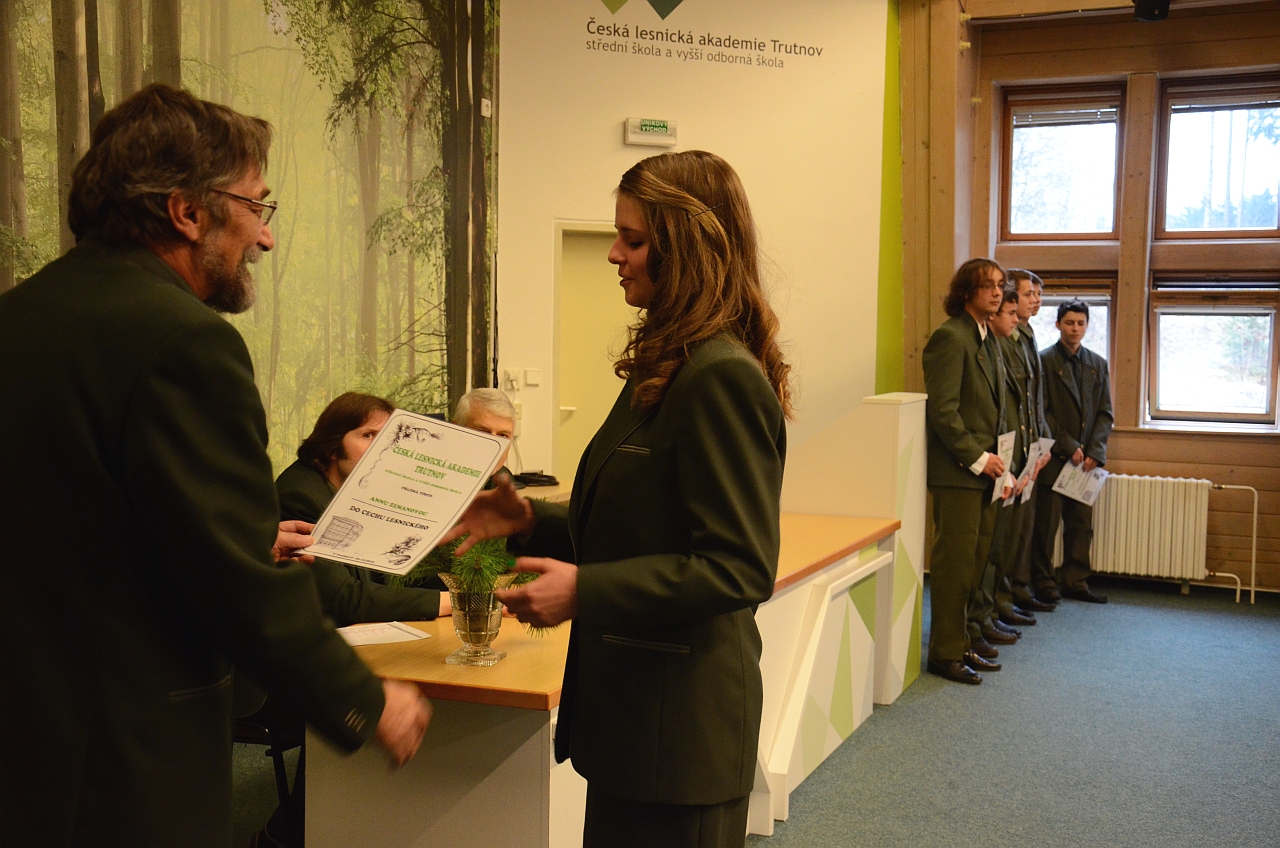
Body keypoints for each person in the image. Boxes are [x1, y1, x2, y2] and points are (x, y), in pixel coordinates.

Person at [0, 85, 428, 848]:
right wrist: (364, 701)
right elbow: (239, 589)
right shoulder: (184, 343)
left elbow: (73, 529)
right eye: (256, 205)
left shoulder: (20, 317)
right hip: (119, 775)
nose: (265, 237)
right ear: (187, 212)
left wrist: (243, 540)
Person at [444, 150, 789, 848]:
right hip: (637, 725)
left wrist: (585, 591)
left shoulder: (719, 376)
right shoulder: (671, 365)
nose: (614, 255)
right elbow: (645, 526)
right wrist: (529, 521)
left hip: (680, 735)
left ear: (685, 248)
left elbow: (739, 568)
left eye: (632, 240)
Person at [275, 391, 449, 626]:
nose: (384, 446)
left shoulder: (365, 490)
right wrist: (451, 602)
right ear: (332, 448)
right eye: (369, 435)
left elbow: (395, 574)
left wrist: (468, 588)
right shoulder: (299, 497)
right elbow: (344, 599)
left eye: (389, 436)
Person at [922, 258, 1009, 685]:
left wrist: (998, 464)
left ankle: (961, 642)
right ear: (965, 292)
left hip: (985, 472)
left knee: (974, 565)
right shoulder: (950, 337)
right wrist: (978, 458)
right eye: (987, 285)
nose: (997, 292)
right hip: (960, 472)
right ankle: (944, 654)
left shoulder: (986, 337)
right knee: (954, 568)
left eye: (1000, 285)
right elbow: (943, 412)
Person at [1031, 300, 1114, 604]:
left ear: (1087, 325)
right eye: (1069, 323)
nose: (1075, 329)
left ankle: (1075, 582)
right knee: (1046, 525)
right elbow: (1041, 411)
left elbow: (1105, 413)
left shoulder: (1097, 364)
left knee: (1081, 525)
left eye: (1080, 323)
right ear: (1057, 325)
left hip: (1086, 463)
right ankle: (1043, 583)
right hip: (1054, 456)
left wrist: (1095, 450)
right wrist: (1069, 445)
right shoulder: (1043, 361)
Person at [965, 284, 1029, 661]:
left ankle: (985, 615)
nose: (1016, 319)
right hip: (985, 462)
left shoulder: (1004, 346)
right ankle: (976, 621)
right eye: (1011, 313)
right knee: (980, 556)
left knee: (997, 548)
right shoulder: (977, 345)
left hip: (1006, 460)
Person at [1002, 270, 1056, 615]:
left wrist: (1043, 441)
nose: (1035, 300)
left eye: (1038, 294)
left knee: (1024, 525)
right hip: (1013, 444)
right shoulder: (1006, 337)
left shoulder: (1028, 333)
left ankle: (1018, 588)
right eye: (1028, 294)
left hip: (1032, 442)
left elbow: (1036, 397)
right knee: (1009, 530)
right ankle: (1004, 596)